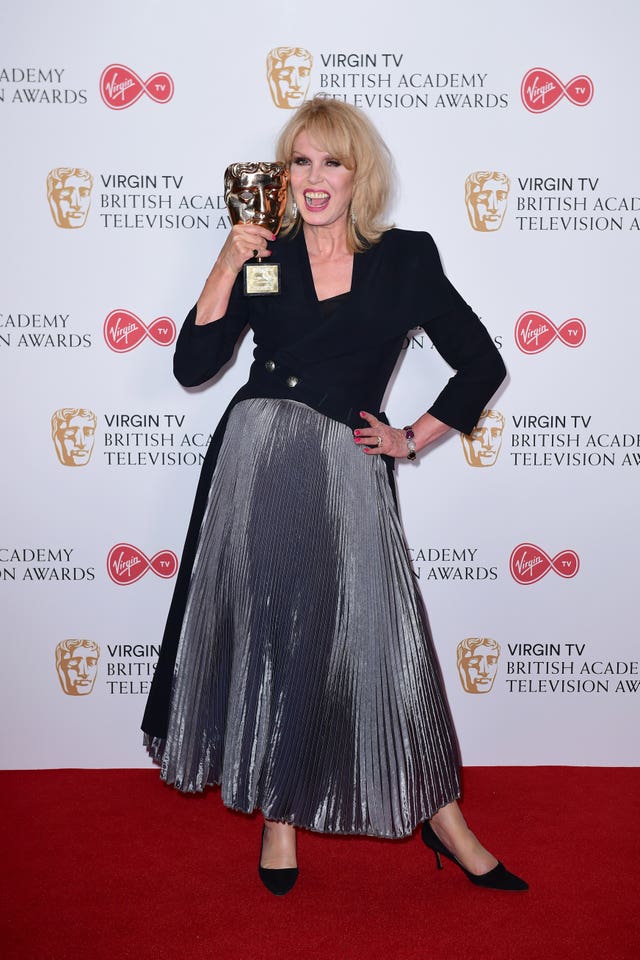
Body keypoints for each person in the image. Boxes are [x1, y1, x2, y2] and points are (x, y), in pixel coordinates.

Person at [142, 97, 527, 896]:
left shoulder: (405, 259)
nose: (314, 179)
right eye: (300, 162)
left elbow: (481, 364)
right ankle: (278, 819)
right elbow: (193, 367)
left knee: (388, 643)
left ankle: (443, 816)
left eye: (332, 162)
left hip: (346, 470)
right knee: (275, 635)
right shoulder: (263, 257)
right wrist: (223, 260)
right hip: (255, 467)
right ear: (284, 176)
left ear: (360, 174)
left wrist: (414, 436)